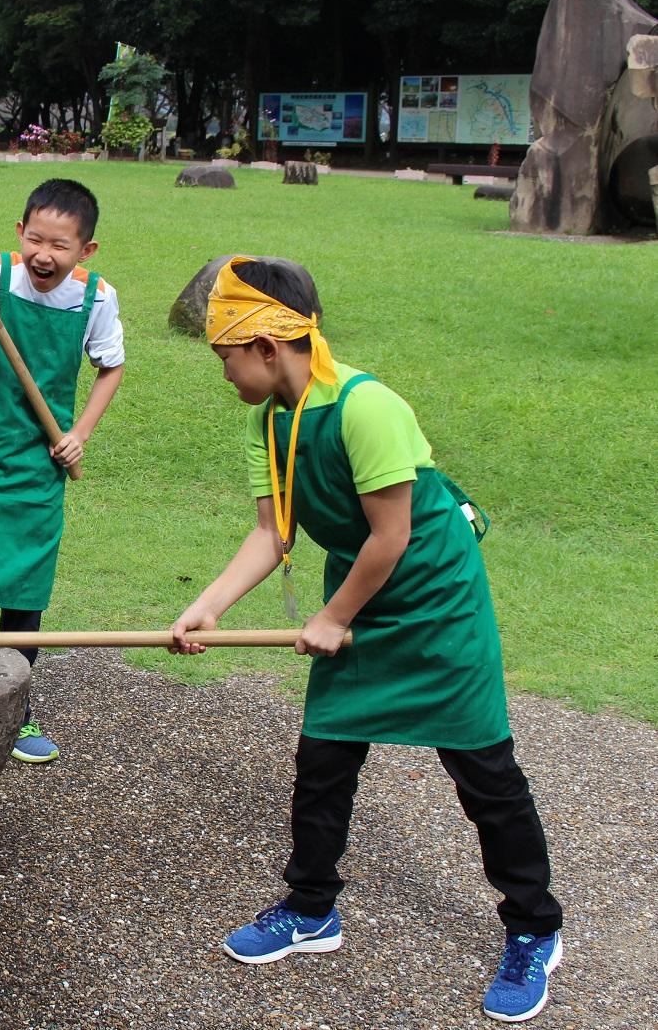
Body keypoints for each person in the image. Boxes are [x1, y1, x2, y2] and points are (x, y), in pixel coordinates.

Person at [168, 257, 562, 1023]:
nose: (223, 374)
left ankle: (535, 929)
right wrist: (208, 606)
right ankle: (312, 905)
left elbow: (392, 533)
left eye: (224, 356)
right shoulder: (269, 418)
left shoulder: (364, 406)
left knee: (484, 773)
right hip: (359, 594)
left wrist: (335, 616)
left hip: (434, 601)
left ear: (268, 345)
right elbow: (273, 530)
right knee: (324, 757)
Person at [0, 179, 125, 763]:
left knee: (26, 597)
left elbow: (110, 367)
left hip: (38, 467)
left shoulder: (96, 297)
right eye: (36, 239)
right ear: (20, 234)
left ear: (85, 251)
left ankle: (13, 709)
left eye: (61, 245)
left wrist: (79, 435)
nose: (45, 255)